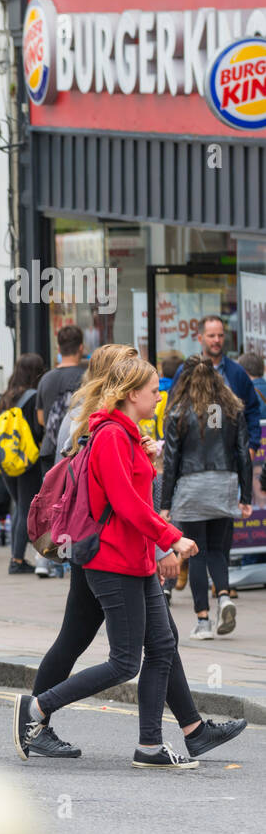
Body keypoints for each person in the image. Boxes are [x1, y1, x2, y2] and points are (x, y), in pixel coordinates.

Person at [16, 356, 206, 769]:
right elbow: (126, 505)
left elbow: (137, 494)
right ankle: (37, 709)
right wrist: (172, 538)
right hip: (111, 560)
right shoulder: (110, 437)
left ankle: (151, 747)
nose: (159, 397)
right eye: (154, 391)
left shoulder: (127, 434)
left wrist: (150, 463)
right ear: (132, 393)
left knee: (162, 648)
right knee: (124, 662)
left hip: (134, 559)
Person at [160, 356, 254, 639]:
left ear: (186, 382)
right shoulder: (232, 410)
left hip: (191, 486)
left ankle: (202, 621)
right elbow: (243, 456)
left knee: (195, 553)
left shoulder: (177, 412)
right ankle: (224, 596)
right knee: (217, 550)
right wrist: (245, 496)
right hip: (224, 483)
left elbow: (171, 461)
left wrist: (165, 505)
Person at [172, 315, 262, 452]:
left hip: (231, 457)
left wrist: (251, 447)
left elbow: (252, 410)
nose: (217, 340)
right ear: (200, 338)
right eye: (211, 336)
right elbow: (173, 410)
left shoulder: (237, 373)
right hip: (194, 457)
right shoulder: (185, 372)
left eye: (220, 335)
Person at [0, 353, 46, 573]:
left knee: (19, 506)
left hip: (7, 459)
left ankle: (16, 557)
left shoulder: (6, 397)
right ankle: (16, 561)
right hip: (27, 459)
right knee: (27, 508)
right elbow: (37, 429)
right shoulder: (33, 397)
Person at [36, 325, 88, 471]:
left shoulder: (45, 379)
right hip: (76, 449)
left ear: (58, 349)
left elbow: (40, 418)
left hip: (49, 449)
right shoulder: (86, 378)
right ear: (81, 348)